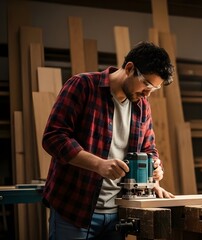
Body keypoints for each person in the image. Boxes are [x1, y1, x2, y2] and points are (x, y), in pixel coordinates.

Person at [42, 41, 175, 240]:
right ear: (130, 68)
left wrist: (153, 171)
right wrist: (99, 165)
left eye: (153, 89)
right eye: (147, 84)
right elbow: (54, 137)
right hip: (75, 210)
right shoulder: (83, 86)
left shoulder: (142, 106)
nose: (147, 93)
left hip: (117, 213)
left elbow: (149, 149)